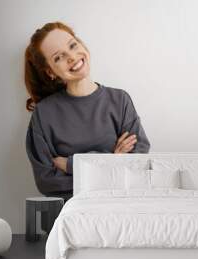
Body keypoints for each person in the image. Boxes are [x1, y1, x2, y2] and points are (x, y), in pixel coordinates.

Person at [24, 21, 150, 202]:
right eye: (58, 57)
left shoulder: (119, 100)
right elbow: (48, 182)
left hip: (122, 207)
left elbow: (137, 164)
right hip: (73, 214)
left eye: (73, 45)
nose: (72, 57)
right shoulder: (44, 115)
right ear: (50, 72)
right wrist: (113, 162)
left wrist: (71, 164)